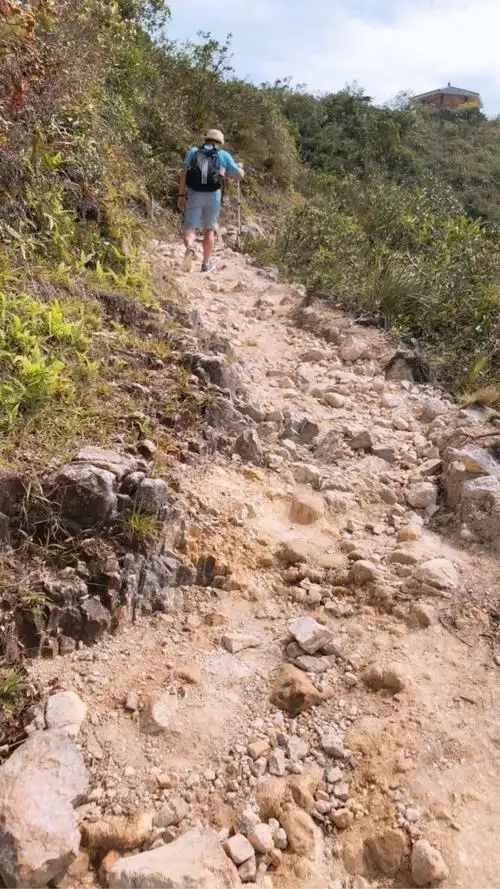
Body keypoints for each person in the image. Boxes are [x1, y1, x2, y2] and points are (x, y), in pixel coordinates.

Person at [177, 128, 244, 273]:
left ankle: (190, 247)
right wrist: (240, 168)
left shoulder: (193, 152)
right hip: (213, 196)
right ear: (220, 142)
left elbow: (183, 174)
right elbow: (239, 176)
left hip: (194, 193)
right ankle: (205, 264)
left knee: (190, 226)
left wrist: (181, 196)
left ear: (205, 139)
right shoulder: (223, 155)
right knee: (209, 230)